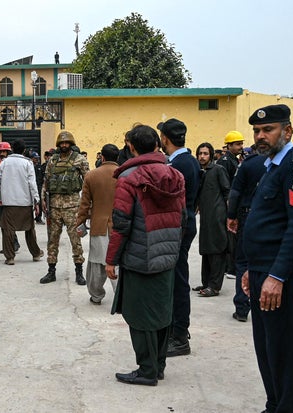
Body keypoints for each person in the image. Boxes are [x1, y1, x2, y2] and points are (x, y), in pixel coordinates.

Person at [105, 124, 186, 386]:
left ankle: (147, 370)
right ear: (156, 145)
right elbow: (183, 217)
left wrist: (111, 259)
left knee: (139, 317)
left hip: (139, 258)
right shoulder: (175, 175)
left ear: (130, 146)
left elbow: (121, 224)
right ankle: (158, 365)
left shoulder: (128, 178)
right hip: (167, 255)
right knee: (162, 313)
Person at [242, 104, 293, 413]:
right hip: (260, 271)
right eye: (256, 131)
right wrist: (250, 270)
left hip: (279, 274)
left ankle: (290, 407)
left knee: (284, 349)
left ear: (287, 131)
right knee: (266, 347)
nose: (260, 136)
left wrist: (277, 275)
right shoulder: (270, 166)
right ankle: (275, 404)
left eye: (268, 130)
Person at [158, 118, 200, 357]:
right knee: (177, 280)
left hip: (179, 228)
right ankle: (178, 330)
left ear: (165, 138)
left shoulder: (178, 165)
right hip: (185, 224)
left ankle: (180, 335)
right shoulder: (189, 161)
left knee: (178, 283)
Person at [40, 131, 90, 285]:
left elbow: (88, 182)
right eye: (61, 143)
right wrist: (42, 200)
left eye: (66, 143)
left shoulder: (79, 160)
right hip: (54, 206)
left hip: (72, 206)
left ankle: (79, 271)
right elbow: (46, 181)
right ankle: (51, 270)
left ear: (71, 144)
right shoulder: (52, 161)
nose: (64, 145)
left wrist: (87, 205)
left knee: (75, 240)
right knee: (52, 240)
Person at [76, 143, 119, 305]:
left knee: (96, 262)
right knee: (116, 262)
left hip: (98, 225)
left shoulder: (92, 175)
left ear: (102, 157)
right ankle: (120, 295)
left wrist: (79, 223)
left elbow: (84, 204)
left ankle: (96, 295)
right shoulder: (124, 175)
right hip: (119, 226)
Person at [226, 147, 266, 322]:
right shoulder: (283, 162)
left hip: (248, 215)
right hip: (273, 217)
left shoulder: (248, 164)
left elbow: (235, 193)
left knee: (243, 261)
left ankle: (242, 308)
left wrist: (231, 216)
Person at [0, 139, 43, 265]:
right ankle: (36, 254)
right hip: (25, 202)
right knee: (30, 229)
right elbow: (32, 183)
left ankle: (10, 257)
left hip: (8, 202)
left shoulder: (4, 163)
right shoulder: (27, 163)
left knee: (8, 230)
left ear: (12, 150)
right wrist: (36, 200)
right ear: (24, 150)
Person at [193, 142, 230, 297]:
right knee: (206, 249)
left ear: (211, 155)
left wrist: (229, 215)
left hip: (217, 215)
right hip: (206, 217)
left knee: (216, 249)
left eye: (205, 153)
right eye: (200, 153)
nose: (202, 156)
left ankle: (214, 286)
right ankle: (207, 282)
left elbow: (227, 192)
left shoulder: (218, 170)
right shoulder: (200, 172)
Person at [217, 130, 245, 281]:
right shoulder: (226, 161)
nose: (240, 146)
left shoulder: (234, 159)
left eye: (241, 143)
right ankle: (229, 268)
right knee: (230, 237)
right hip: (228, 203)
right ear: (229, 145)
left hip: (233, 201)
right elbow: (226, 186)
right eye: (237, 144)